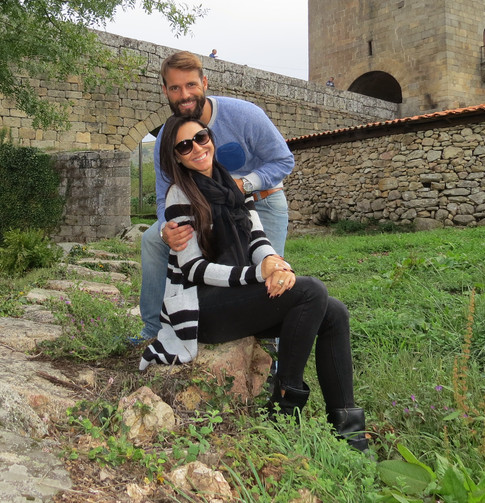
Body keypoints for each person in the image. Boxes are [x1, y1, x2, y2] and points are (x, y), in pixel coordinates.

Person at [139, 115, 368, 452]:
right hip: (204, 307)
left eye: (201, 138)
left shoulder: (232, 187)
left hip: (236, 297)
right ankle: (284, 406)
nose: (197, 148)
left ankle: (349, 432)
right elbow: (193, 269)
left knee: (334, 312)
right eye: (185, 146)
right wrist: (257, 274)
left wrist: (277, 265)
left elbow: (256, 239)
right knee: (312, 291)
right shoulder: (179, 194)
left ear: (210, 138)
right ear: (176, 157)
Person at [138, 51, 294, 341]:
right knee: (152, 240)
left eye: (191, 85)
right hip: (202, 209)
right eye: (175, 88)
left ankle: (270, 347)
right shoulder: (167, 138)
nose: (184, 95)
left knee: (269, 267)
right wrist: (165, 230)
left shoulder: (245, 115)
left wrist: (243, 184)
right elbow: (163, 195)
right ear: (165, 91)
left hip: (261, 201)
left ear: (205, 83)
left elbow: (283, 160)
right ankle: (153, 330)